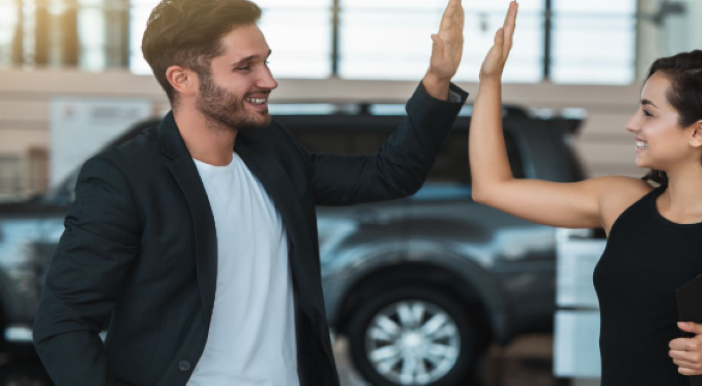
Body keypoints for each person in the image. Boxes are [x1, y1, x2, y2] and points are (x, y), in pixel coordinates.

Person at [31, 0, 469, 384]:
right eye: (245, 67)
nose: (269, 80)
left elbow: (389, 175)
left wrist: (436, 79)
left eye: (266, 61)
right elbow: (63, 323)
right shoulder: (125, 177)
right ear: (183, 79)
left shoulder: (273, 150)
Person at [470, 2, 702, 385]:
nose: (632, 124)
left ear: (699, 132)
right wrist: (489, 82)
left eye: (649, 113)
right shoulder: (619, 202)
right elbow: (491, 188)